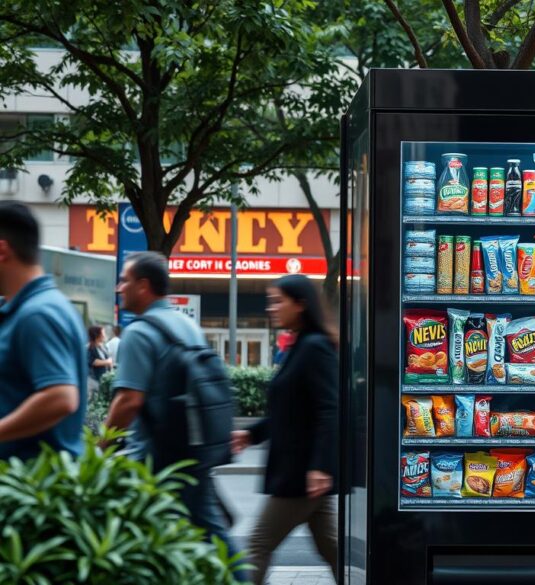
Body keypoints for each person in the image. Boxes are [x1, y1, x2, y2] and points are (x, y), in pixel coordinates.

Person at [103, 252, 244, 575]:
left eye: (124, 280)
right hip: (191, 450)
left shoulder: (139, 332)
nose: (119, 288)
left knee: (132, 542)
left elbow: (129, 401)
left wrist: (101, 447)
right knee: (210, 532)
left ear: (143, 285)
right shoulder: (185, 324)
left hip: (156, 462)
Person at [231, 275, 339, 584]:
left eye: (278, 301)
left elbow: (328, 410)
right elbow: (289, 409)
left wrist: (319, 466)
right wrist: (251, 434)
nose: (271, 307)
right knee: (332, 548)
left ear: (301, 304)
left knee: (257, 545)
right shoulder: (301, 345)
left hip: (301, 474)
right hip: (303, 472)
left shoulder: (314, 347)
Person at [0, 202, 87, 461]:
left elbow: (61, 396)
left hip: (33, 485)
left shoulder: (38, 314)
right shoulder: (36, 308)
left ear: (2, 250)